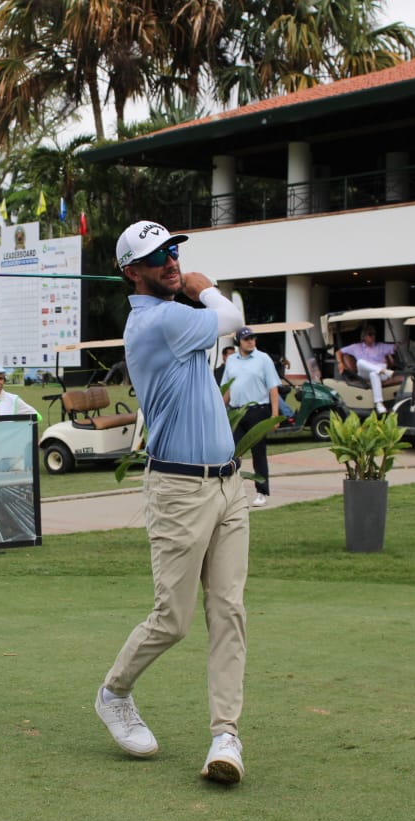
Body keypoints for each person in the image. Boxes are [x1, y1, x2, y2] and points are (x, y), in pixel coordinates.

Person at [95, 220, 249, 785]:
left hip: (229, 485)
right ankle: (114, 694)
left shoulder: (172, 314)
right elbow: (232, 318)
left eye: (174, 252)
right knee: (174, 620)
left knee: (228, 609)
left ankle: (225, 735)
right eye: (158, 257)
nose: (171, 261)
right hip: (179, 490)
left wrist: (190, 287)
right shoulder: (157, 321)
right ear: (133, 273)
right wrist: (203, 286)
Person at [221, 327, 280, 507]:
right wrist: (220, 411)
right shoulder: (231, 360)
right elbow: (228, 387)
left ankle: (262, 491)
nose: (251, 341)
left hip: (258, 410)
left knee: (258, 452)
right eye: (247, 339)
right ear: (239, 341)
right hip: (236, 411)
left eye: (253, 338)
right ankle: (231, 491)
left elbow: (273, 388)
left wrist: (274, 415)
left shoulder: (263, 359)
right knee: (230, 452)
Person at [339, 325, 397, 414]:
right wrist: (341, 363)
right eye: (370, 334)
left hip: (380, 373)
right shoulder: (356, 347)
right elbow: (339, 352)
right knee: (360, 362)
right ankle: (383, 371)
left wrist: (404, 343)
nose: (373, 336)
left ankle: (379, 404)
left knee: (374, 374)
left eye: (374, 334)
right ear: (364, 337)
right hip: (365, 372)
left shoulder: (380, 346)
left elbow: (394, 347)